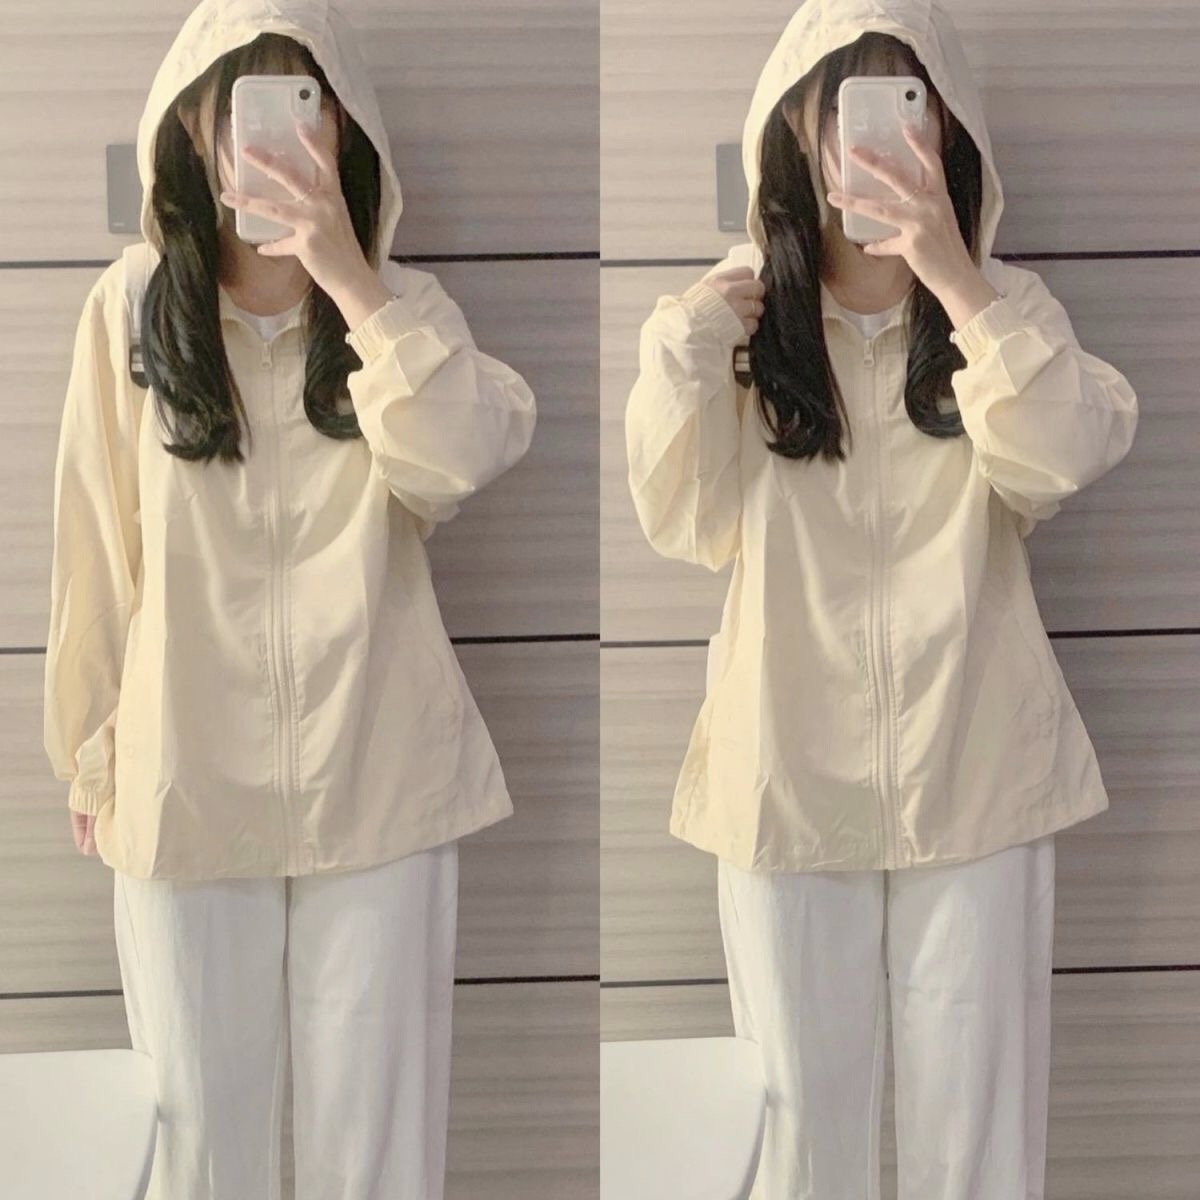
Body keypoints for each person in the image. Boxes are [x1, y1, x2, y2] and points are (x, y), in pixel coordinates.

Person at [623, 2, 1138, 1197]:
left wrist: (956, 278)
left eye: (905, 109)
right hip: (785, 783)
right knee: (803, 1145)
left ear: (947, 135)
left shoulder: (1004, 314)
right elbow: (678, 522)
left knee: (981, 1150)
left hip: (977, 776)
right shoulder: (734, 328)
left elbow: (1061, 458)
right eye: (842, 111)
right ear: (796, 136)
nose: (870, 143)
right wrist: (688, 346)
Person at [42, 0, 536, 1196]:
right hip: (184, 778)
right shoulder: (130, 307)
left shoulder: (399, 313)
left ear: (343, 131)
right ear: (196, 133)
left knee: (379, 1159)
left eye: (303, 108)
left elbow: (462, 457)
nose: (273, 141)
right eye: (246, 111)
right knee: (199, 1149)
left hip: (379, 783)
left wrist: (349, 279)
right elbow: (95, 546)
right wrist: (90, 753)